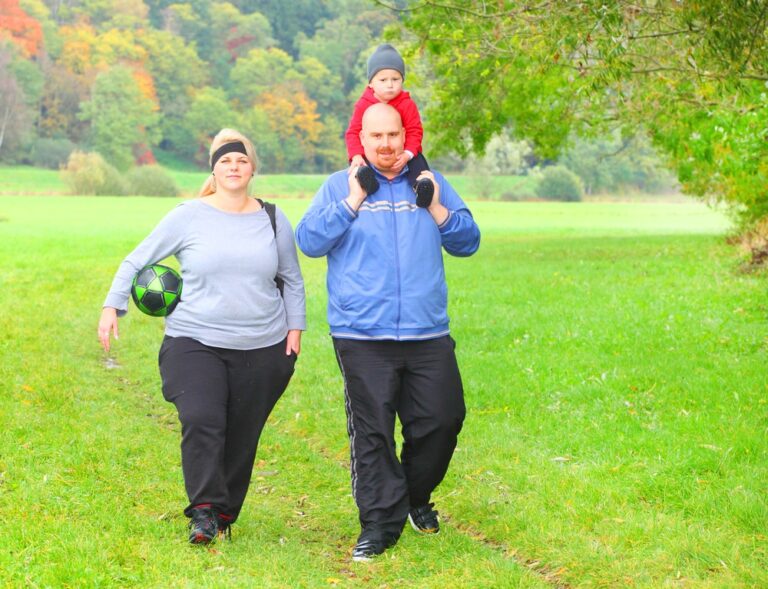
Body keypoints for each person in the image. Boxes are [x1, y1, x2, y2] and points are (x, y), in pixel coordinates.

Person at [97, 129, 306, 544]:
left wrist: (295, 329)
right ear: (214, 168)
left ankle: (224, 514)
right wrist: (111, 306)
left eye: (242, 160)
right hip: (194, 340)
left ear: (252, 169)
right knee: (202, 418)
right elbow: (138, 258)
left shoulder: (273, 217)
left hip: (263, 345)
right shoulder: (188, 215)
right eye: (226, 160)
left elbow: (292, 279)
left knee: (242, 433)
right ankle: (205, 512)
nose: (234, 166)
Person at [295, 103, 481, 562]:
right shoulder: (340, 186)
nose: (385, 144)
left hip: (426, 332)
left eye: (393, 135)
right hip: (361, 334)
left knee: (443, 420)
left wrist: (435, 205)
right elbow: (309, 240)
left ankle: (413, 497)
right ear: (361, 138)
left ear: (404, 136)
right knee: (372, 431)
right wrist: (354, 199)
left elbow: (468, 241)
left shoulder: (430, 182)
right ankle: (378, 526)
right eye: (375, 136)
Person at [345, 43, 435, 206]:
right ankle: (367, 183)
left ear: (402, 80)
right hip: (372, 152)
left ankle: (421, 189)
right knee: (358, 166)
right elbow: (353, 132)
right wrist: (356, 155)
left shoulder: (407, 104)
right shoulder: (363, 104)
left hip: (405, 152)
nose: (390, 84)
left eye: (395, 79)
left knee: (419, 166)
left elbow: (415, 131)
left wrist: (407, 154)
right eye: (383, 80)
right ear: (371, 83)